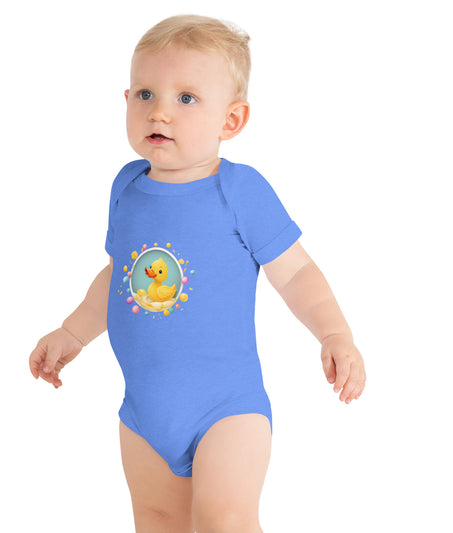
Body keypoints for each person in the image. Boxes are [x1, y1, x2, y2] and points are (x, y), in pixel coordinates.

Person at [29, 14, 366, 533]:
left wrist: (334, 333)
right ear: (126, 100)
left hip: (227, 409)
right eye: (145, 94)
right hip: (144, 412)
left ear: (231, 121)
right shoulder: (127, 187)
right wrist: (72, 331)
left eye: (186, 98)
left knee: (225, 521)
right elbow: (119, 276)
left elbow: (296, 271)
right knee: (158, 520)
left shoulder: (239, 191)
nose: (160, 110)